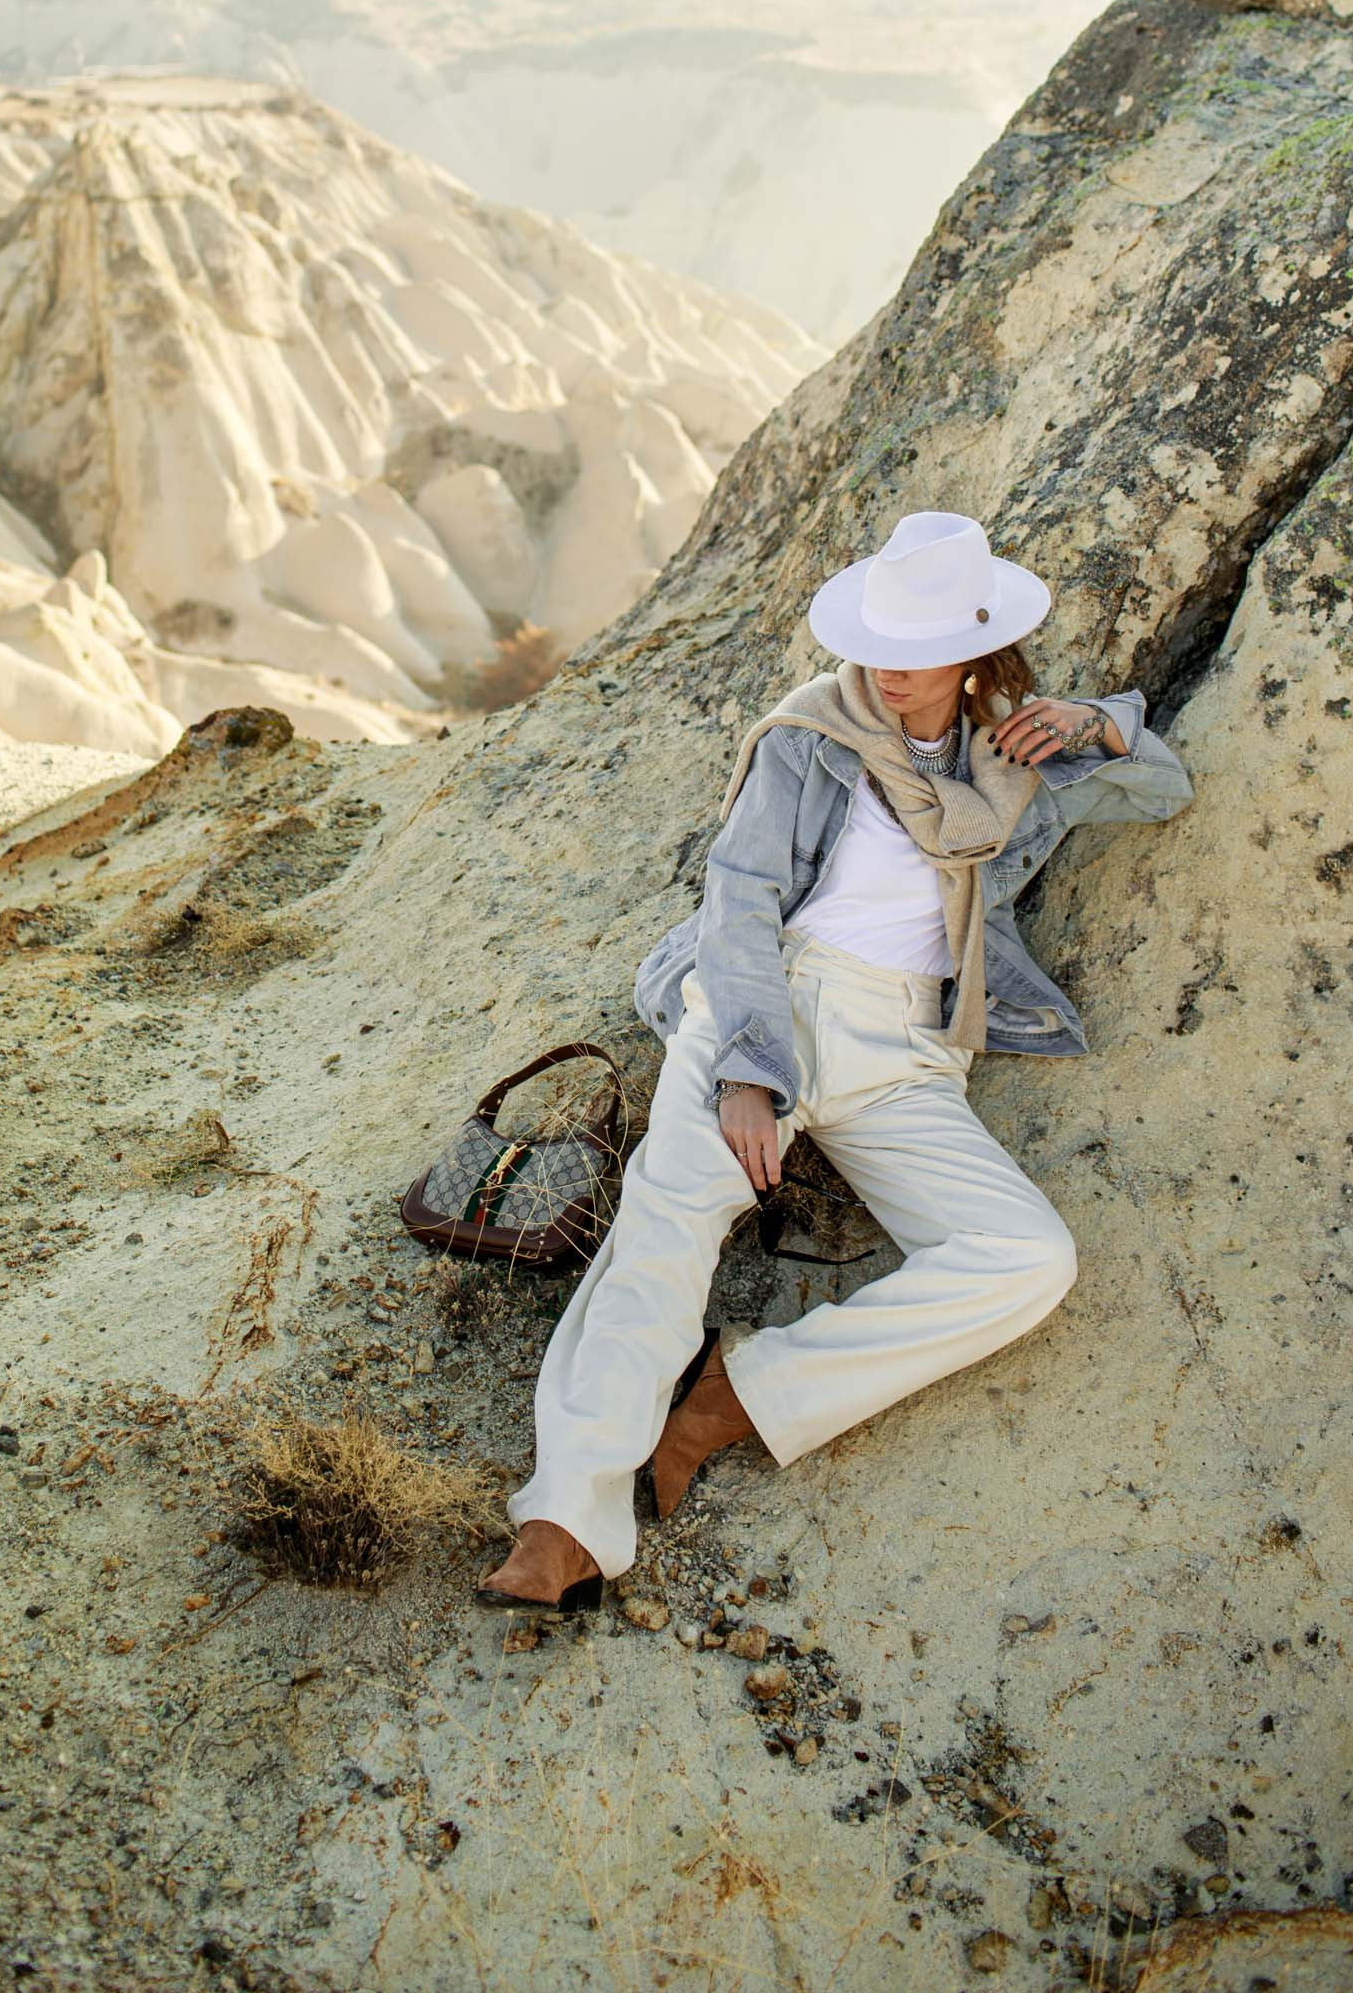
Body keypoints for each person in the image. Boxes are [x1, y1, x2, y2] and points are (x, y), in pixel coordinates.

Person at [478, 509, 1193, 1612]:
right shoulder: (810, 735)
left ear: (972, 655)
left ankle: (741, 1394)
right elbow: (742, 898)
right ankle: (565, 1517)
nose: (887, 676)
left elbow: (1161, 792)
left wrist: (1095, 726)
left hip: (907, 1045)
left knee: (1023, 1259)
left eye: (914, 659)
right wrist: (749, 1069)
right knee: (663, 1233)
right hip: (768, 1003)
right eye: (875, 650)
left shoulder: (1008, 755)